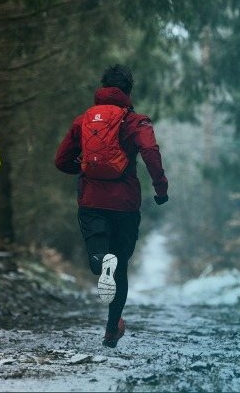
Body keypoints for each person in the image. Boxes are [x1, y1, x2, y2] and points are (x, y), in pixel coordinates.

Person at [55, 64, 168, 348]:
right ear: (128, 92)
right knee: (120, 267)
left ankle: (97, 258)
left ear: (103, 88)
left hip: (91, 199)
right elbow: (151, 152)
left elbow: (61, 160)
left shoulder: (83, 120)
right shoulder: (135, 121)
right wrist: (160, 188)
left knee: (101, 251)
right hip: (125, 203)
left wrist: (83, 170)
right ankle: (110, 329)